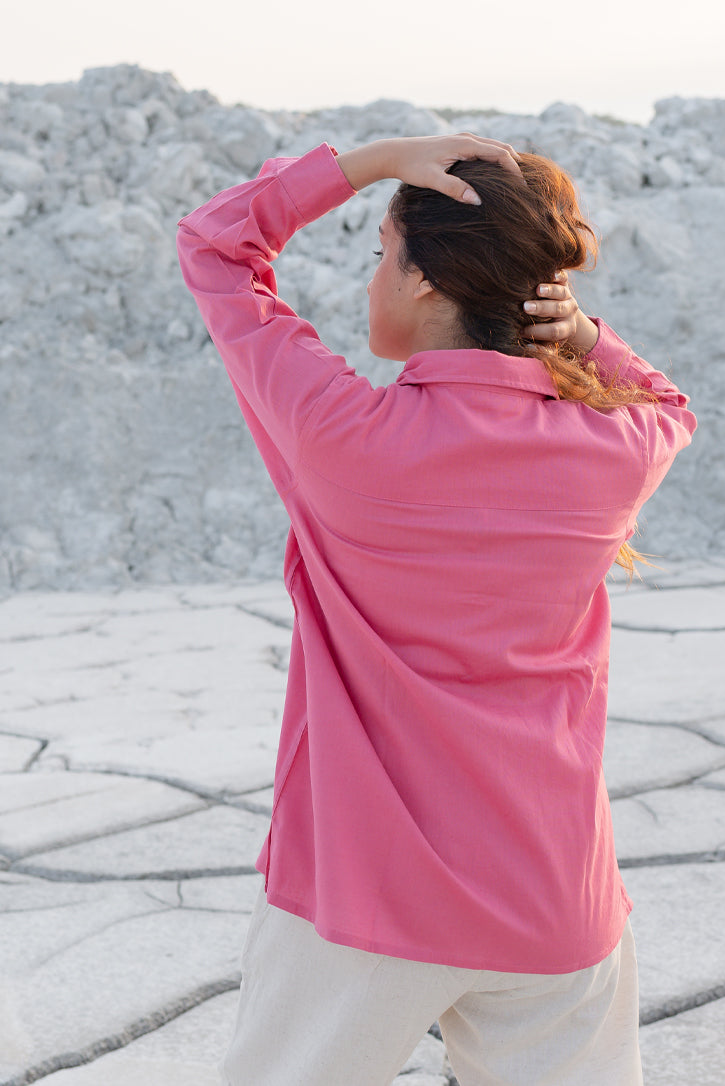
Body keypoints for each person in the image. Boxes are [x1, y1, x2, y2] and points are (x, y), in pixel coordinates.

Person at [177, 133, 696, 1086]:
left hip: (362, 906)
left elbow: (215, 247)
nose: (375, 274)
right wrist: (582, 338)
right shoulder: (613, 454)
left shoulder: (344, 439)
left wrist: (375, 159)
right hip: (553, 904)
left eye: (381, 253)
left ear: (422, 282)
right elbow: (668, 404)